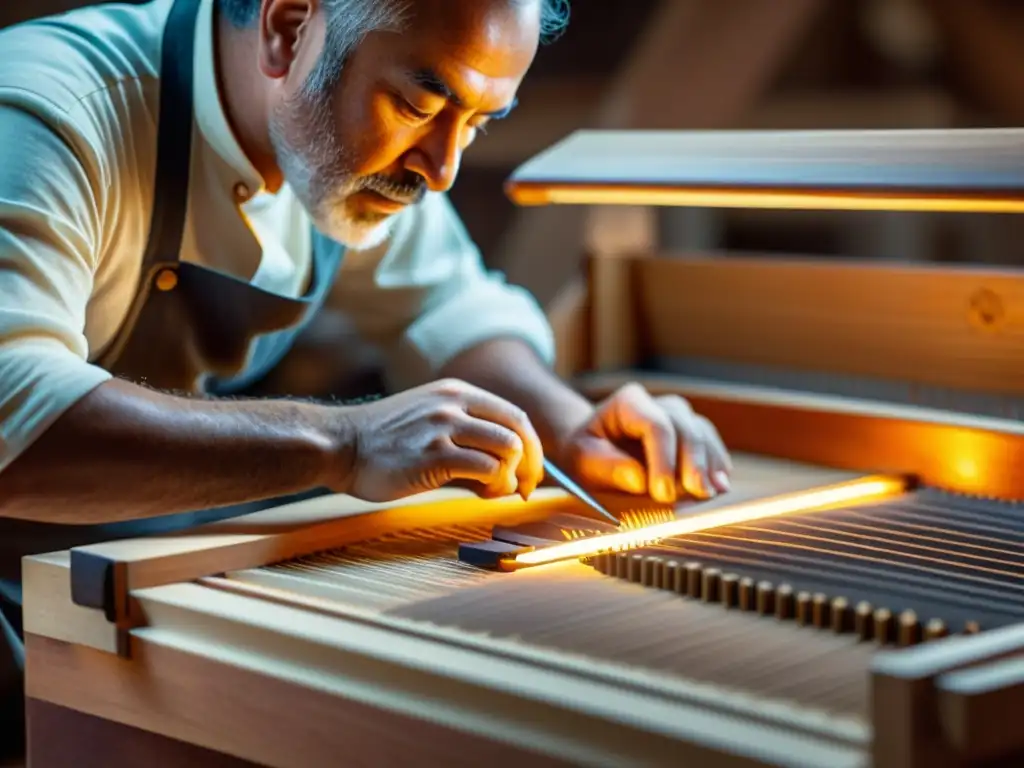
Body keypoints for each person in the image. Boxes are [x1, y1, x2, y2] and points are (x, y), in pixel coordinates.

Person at [0, 0, 732, 754]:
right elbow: (12, 423)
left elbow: (448, 306)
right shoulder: (49, 112)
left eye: (478, 123)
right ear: (289, 29)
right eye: (420, 104)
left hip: (125, 584)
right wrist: (341, 443)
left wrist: (569, 423)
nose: (442, 168)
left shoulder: (348, 139)